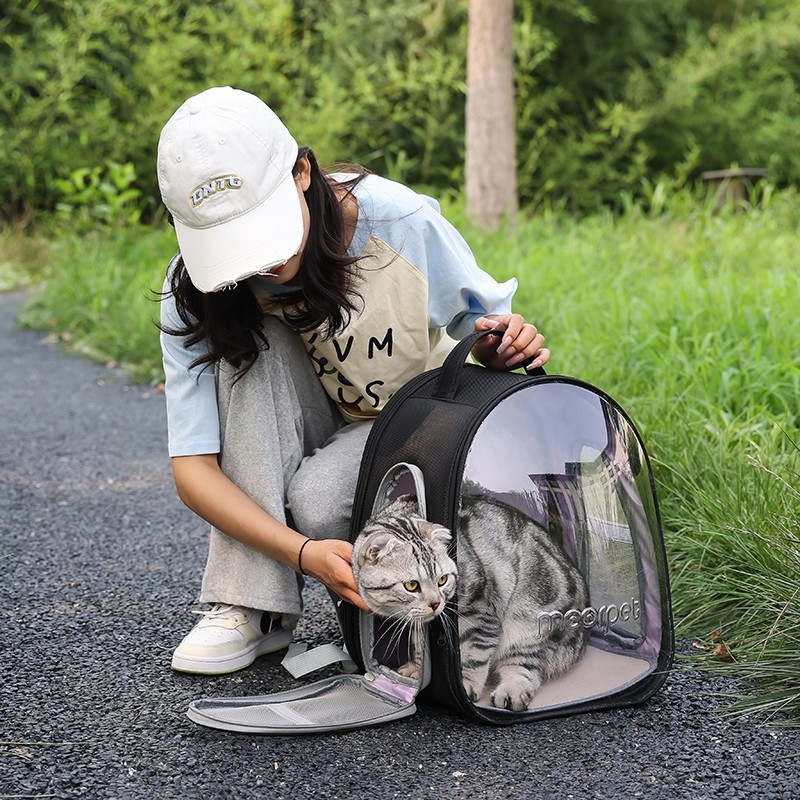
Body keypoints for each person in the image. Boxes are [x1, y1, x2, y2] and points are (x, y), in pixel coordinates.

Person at [156, 86, 550, 675]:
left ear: (302, 173)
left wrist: (504, 347)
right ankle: (253, 604)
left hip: (413, 419)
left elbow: (485, 330)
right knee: (244, 350)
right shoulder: (194, 289)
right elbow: (194, 470)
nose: (261, 263)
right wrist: (302, 555)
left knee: (318, 504)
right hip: (310, 421)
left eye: (263, 231)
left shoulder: (399, 223)